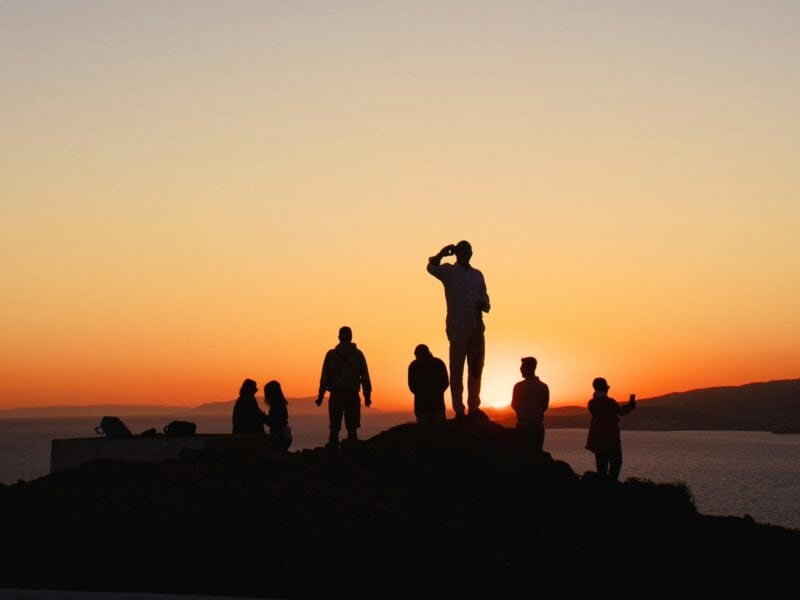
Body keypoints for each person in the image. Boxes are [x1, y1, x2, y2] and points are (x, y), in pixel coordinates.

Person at [427, 240, 490, 420]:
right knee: (457, 370)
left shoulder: (478, 275)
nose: (466, 254)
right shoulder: (449, 271)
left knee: (476, 368)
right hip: (458, 328)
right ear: (457, 253)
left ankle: (474, 407)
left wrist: (483, 304)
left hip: (477, 328)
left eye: (468, 250)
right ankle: (459, 409)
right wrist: (441, 254)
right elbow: (431, 267)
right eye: (463, 251)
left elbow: (485, 297)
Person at [315, 326, 372, 448]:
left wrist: (320, 397)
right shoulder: (358, 355)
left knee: (334, 428)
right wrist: (367, 396)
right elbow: (365, 377)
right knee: (352, 428)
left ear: (339, 337)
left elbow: (324, 377)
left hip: (336, 395)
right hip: (352, 395)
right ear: (351, 337)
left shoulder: (331, 355)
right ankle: (352, 452)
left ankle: (332, 451)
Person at [585, 377, 636, 481]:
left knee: (601, 467)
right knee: (616, 463)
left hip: (598, 439)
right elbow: (620, 412)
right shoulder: (610, 402)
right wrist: (630, 406)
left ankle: (603, 486)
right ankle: (611, 484)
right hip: (611, 439)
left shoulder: (591, 403)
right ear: (605, 388)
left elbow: (611, 409)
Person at [511, 356, 549, 452]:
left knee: (522, 454)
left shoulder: (518, 386)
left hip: (522, 426)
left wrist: (524, 411)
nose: (520, 369)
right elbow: (545, 406)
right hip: (537, 427)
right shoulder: (543, 387)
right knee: (536, 453)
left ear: (528, 368)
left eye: (522, 366)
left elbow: (514, 405)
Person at [408, 344, 449, 425]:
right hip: (435, 404)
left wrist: (422, 394)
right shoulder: (439, 363)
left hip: (424, 406)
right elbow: (445, 382)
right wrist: (437, 393)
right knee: (439, 429)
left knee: (426, 429)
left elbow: (412, 386)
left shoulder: (414, 365)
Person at [264, 380, 292, 450]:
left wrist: (262, 417)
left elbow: (274, 422)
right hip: (285, 436)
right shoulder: (281, 404)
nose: (266, 396)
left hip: (280, 436)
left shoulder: (276, 406)